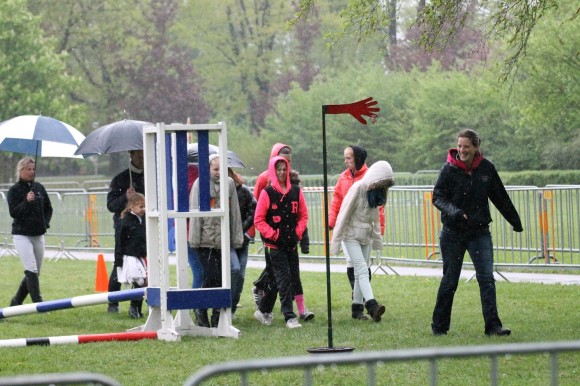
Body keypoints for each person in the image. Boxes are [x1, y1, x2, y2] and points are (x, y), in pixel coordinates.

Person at [431, 129, 523, 337]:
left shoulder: (487, 169)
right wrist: (455, 212)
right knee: (450, 280)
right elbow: (437, 197)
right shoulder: (448, 169)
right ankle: (439, 326)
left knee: (486, 278)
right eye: (460, 146)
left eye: (466, 146)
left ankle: (493, 327)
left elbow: (500, 197)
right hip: (452, 232)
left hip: (479, 233)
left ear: (476, 147)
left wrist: (515, 221)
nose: (462, 150)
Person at [251, 143, 314, 321]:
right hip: (272, 239)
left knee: (287, 275)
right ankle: (280, 310)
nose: (283, 169)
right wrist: (269, 233)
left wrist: (300, 235)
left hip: (290, 238)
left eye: (287, 163)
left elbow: (300, 213)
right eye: (280, 164)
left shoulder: (293, 182)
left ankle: (267, 308)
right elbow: (258, 210)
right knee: (279, 275)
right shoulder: (264, 181)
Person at [330, 160, 394, 322]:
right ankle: (372, 305)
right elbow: (343, 214)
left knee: (362, 272)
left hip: (365, 236)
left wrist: (376, 239)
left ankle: (357, 310)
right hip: (350, 235)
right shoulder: (358, 188)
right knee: (362, 270)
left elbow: (375, 220)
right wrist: (336, 241)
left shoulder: (374, 194)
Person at [189, 155, 244, 327]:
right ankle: (201, 310)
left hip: (223, 240)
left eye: (222, 169)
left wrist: (236, 238)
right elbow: (195, 214)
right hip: (205, 241)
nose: (219, 173)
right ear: (208, 169)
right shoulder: (200, 184)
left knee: (222, 278)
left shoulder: (228, 184)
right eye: (215, 169)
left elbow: (234, 211)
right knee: (211, 277)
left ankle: (217, 314)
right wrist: (195, 240)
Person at [328, 145, 385, 297]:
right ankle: (358, 295)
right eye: (345, 158)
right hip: (348, 229)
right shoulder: (343, 177)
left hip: (365, 228)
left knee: (363, 266)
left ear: (357, 159)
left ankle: (362, 299)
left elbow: (378, 207)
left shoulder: (370, 177)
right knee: (353, 263)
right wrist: (331, 221)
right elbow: (337, 201)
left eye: (348, 158)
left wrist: (380, 228)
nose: (345, 161)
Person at [7, 157, 53, 306]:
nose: (32, 172)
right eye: (29, 169)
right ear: (21, 170)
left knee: (35, 272)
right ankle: (38, 303)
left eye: (34, 169)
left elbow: (48, 208)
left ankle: (16, 302)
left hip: (38, 234)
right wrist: (26, 201)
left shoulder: (39, 187)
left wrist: (44, 223)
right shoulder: (14, 190)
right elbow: (14, 212)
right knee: (31, 269)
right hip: (22, 235)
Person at [106, 150, 145, 313]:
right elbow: (111, 206)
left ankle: (135, 305)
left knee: (143, 266)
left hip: (144, 227)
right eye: (139, 156)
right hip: (125, 228)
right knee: (120, 263)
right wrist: (125, 198)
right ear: (131, 155)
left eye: (144, 156)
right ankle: (113, 302)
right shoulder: (120, 179)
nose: (142, 160)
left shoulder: (152, 175)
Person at [228, 168, 256, 315]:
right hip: (226, 240)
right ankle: (227, 306)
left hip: (241, 239)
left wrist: (242, 229)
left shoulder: (243, 190)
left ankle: (232, 307)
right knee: (235, 270)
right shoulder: (217, 192)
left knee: (241, 274)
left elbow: (253, 209)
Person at [116, 193, 147, 319]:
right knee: (138, 281)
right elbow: (119, 241)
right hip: (131, 256)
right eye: (141, 206)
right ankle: (134, 307)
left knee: (143, 282)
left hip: (142, 255)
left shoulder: (145, 219)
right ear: (132, 206)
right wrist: (119, 261)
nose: (143, 209)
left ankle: (138, 308)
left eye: (145, 206)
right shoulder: (125, 221)